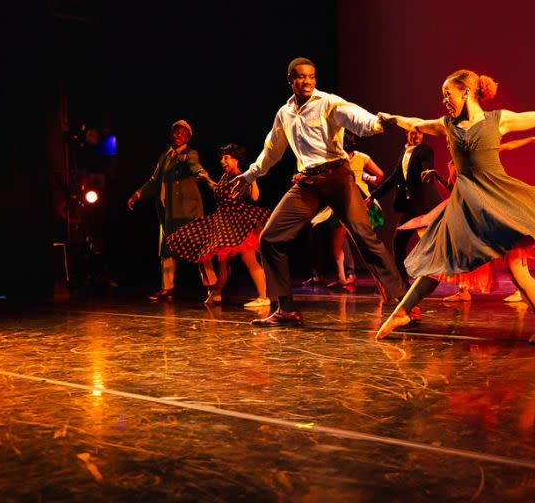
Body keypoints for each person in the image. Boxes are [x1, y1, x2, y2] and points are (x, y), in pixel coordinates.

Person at [374, 69, 535, 343]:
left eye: (447, 95)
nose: (444, 101)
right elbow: (417, 122)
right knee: (438, 259)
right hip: (465, 208)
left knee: (517, 270)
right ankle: (403, 311)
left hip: (498, 202)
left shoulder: (498, 120)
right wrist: (393, 119)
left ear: (465, 92)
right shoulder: (447, 124)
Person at [231, 57, 408, 327]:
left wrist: (377, 123)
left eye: (311, 76)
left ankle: (402, 303)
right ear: (290, 80)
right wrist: (251, 173)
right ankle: (286, 309)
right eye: (301, 77)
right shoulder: (285, 113)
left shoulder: (327, 102)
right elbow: (272, 150)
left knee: (364, 236)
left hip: (337, 176)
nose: (307, 81)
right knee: (270, 238)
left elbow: (355, 117)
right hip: (307, 182)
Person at [418, 136, 535, 303]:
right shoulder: (452, 163)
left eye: (452, 139)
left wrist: (530, 139)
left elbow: (506, 147)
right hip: (467, 210)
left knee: (509, 245)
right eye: (447, 140)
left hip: (487, 206)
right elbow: (453, 189)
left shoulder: (473, 155)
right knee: (463, 248)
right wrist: (436, 176)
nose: (449, 142)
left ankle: (520, 288)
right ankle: (463, 291)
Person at [166, 144, 271, 307]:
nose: (223, 161)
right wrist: (207, 179)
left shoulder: (243, 176)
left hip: (239, 225)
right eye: (222, 158)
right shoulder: (224, 177)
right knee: (222, 265)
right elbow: (217, 190)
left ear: (236, 160)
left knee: (249, 260)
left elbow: (255, 197)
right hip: (223, 224)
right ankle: (217, 293)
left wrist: (253, 177)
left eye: (227, 158)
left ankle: (263, 297)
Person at [128, 120, 216, 300]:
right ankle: (167, 289)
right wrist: (138, 194)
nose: (178, 135)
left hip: (188, 210)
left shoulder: (190, 153)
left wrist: (202, 175)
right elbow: (154, 181)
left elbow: (195, 166)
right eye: (175, 132)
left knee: (199, 249)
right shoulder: (165, 156)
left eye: (182, 133)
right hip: (168, 212)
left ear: (188, 137)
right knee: (166, 250)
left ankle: (212, 287)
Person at [310, 132, 386, 288]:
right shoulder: (361, 157)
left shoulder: (337, 159)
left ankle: (343, 278)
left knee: (338, 244)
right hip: (359, 201)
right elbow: (379, 175)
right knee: (366, 244)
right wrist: (368, 178)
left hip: (346, 201)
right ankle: (379, 281)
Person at [367, 128, 442, 283]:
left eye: (420, 133)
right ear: (407, 134)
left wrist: (426, 173)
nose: (416, 136)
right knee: (398, 242)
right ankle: (402, 281)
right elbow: (394, 178)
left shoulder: (425, 150)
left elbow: (426, 165)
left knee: (436, 246)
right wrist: (373, 195)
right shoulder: (405, 152)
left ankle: (459, 285)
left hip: (425, 207)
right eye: (413, 132)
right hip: (410, 208)